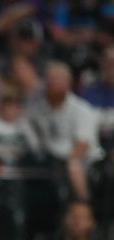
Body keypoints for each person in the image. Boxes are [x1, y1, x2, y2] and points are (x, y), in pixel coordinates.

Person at [28, 61, 102, 201]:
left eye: (57, 81)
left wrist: (68, 161)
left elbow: (83, 145)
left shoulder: (81, 109)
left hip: (83, 159)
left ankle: (84, 205)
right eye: (50, 80)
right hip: (51, 157)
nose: (52, 84)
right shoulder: (38, 108)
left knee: (74, 167)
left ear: (68, 83)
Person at [37, 199, 112, 240]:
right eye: (73, 216)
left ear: (93, 223)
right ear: (63, 219)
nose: (77, 222)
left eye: (83, 217)